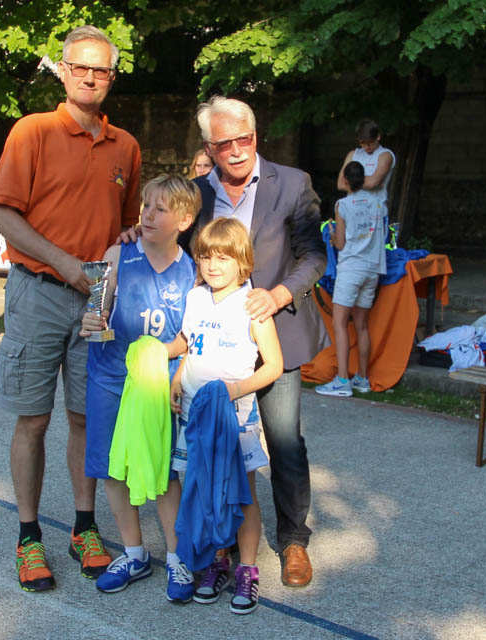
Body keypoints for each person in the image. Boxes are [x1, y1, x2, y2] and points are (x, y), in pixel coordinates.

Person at [0, 24, 141, 592]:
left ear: (112, 77)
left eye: (101, 69)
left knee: (86, 417)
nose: (90, 78)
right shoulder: (33, 131)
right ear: (63, 70)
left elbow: (127, 225)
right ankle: (29, 536)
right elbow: (0, 213)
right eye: (80, 67)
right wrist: (66, 263)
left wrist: (117, 264)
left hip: (96, 298)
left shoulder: (125, 146)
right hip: (39, 290)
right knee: (33, 418)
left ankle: (84, 527)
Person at [183, 96, 328, 588]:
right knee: (217, 443)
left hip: (274, 333)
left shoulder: (292, 183)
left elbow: (314, 255)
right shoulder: (195, 194)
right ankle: (223, 540)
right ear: (210, 148)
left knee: (284, 440)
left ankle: (293, 540)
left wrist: (279, 294)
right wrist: (134, 236)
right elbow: (173, 242)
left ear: (256, 136)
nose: (236, 150)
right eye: (224, 143)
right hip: (217, 343)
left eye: (243, 139)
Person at [81, 175, 197, 602]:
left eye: (160, 209)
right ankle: (134, 553)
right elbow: (96, 308)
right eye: (146, 206)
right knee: (113, 469)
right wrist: (91, 320)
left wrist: (158, 353)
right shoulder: (118, 255)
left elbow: (190, 337)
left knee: (163, 472)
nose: (147, 215)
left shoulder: (192, 272)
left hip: (157, 385)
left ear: (184, 220)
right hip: (110, 378)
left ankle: (178, 558)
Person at [169, 217, 283, 613]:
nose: (213, 265)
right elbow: (190, 344)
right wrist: (177, 376)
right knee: (205, 490)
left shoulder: (253, 306)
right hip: (195, 418)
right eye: (205, 257)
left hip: (234, 420)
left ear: (242, 262)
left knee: (240, 493)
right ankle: (218, 561)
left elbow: (273, 365)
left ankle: (247, 569)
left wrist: (234, 390)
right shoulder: (196, 298)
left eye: (223, 258)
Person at [315, 162, 386, 397]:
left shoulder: (342, 205)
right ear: (363, 179)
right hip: (373, 268)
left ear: (345, 180)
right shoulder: (377, 202)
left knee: (339, 323)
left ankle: (343, 380)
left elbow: (341, 243)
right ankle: (362, 378)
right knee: (362, 325)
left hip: (351, 268)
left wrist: (332, 233)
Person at [337, 119, 395, 214]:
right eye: (362, 143)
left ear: (378, 136)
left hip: (375, 211)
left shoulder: (385, 155)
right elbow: (340, 184)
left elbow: (372, 183)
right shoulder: (353, 154)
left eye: (370, 143)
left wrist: (350, 180)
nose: (366, 147)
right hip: (352, 210)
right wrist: (369, 182)